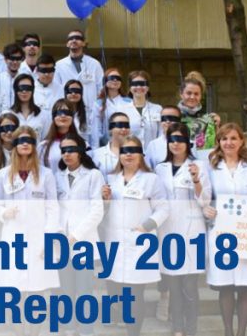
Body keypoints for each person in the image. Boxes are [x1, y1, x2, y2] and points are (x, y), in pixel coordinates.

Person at [203, 123, 247, 336]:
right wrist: (207, 208)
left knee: (245, 286)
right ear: (219, 142)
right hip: (222, 232)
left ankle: (241, 333)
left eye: (233, 138)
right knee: (225, 285)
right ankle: (228, 331)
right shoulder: (211, 167)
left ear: (242, 141)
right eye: (224, 138)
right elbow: (205, 197)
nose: (229, 143)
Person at [0, 126, 60, 336]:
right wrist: (4, 213)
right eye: (20, 140)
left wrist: (49, 238)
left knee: (37, 289)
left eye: (29, 141)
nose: (25, 144)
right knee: (15, 290)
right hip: (13, 237)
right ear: (14, 145)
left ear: (34, 145)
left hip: (38, 238)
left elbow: (53, 208)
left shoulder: (46, 174)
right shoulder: (3, 175)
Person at [102, 136, 168, 336]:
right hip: (114, 242)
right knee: (116, 289)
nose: (128, 155)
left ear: (141, 155)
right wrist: (105, 201)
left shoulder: (151, 179)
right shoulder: (111, 179)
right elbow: (103, 212)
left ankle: (134, 332)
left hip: (141, 243)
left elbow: (163, 208)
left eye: (133, 151)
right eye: (124, 151)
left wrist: (147, 226)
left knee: (135, 293)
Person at [154, 122, 212, 336]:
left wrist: (196, 179)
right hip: (167, 230)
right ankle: (177, 327)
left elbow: (205, 201)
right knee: (174, 284)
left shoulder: (199, 166)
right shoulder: (160, 168)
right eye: (172, 139)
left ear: (188, 142)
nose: (176, 144)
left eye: (180, 139)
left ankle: (191, 328)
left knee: (190, 285)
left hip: (191, 230)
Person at [55, 133, 105, 336]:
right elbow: (55, 209)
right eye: (63, 150)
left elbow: (97, 211)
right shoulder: (57, 176)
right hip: (61, 243)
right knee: (65, 290)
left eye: (72, 149)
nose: (67, 154)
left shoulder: (93, 175)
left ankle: (86, 330)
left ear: (81, 151)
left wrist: (75, 235)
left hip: (83, 241)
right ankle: (69, 329)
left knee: (84, 290)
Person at [55, 29, 104, 120]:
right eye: (71, 38)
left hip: (91, 113)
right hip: (67, 113)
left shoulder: (94, 64)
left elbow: (101, 88)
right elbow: (56, 90)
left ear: (84, 43)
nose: (74, 40)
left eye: (78, 38)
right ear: (67, 44)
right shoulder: (59, 65)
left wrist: (99, 107)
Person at [178, 71, 220, 156]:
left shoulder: (209, 119)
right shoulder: (172, 117)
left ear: (201, 96)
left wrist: (217, 127)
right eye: (189, 93)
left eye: (196, 94)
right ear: (181, 94)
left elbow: (214, 146)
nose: (192, 97)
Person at [39, 99, 81, 176]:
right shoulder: (43, 146)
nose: (63, 116)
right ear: (53, 117)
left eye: (67, 112)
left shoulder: (83, 144)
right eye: (59, 113)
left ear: (72, 117)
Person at [122, 71, 163, 145]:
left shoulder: (157, 109)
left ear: (148, 88)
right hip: (131, 150)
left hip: (153, 150)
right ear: (130, 88)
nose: (139, 87)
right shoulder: (122, 110)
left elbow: (161, 133)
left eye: (142, 84)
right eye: (135, 84)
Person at [7, 74, 51, 140]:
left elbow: (45, 141)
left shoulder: (43, 115)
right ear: (15, 90)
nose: (24, 91)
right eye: (20, 88)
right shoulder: (8, 114)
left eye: (28, 88)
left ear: (33, 90)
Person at [92, 112, 131, 179]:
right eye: (119, 125)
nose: (124, 129)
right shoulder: (97, 154)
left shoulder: (138, 153)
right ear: (110, 129)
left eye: (126, 126)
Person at [64, 79, 100, 150]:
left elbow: (94, 136)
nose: (73, 94)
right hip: (65, 150)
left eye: (77, 91)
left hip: (84, 150)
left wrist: (93, 152)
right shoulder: (60, 113)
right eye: (70, 91)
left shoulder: (89, 113)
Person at [98, 68, 130, 144]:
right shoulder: (98, 103)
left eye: (118, 78)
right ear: (105, 81)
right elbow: (96, 128)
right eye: (111, 78)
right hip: (105, 144)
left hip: (126, 142)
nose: (115, 80)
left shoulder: (129, 101)